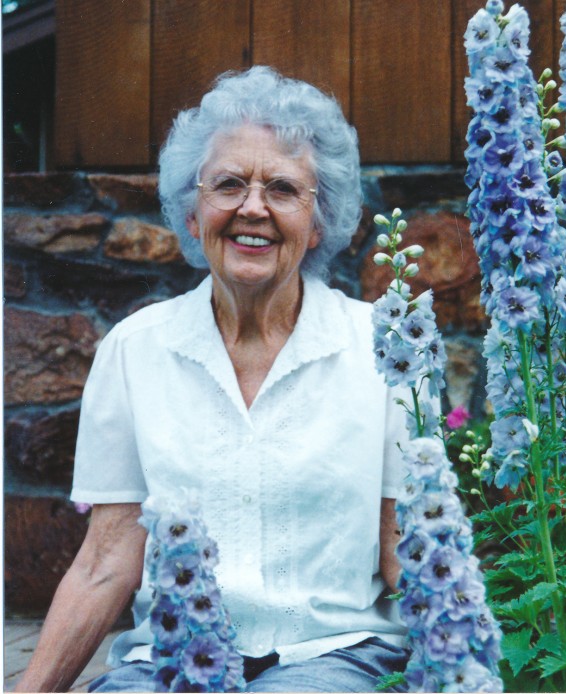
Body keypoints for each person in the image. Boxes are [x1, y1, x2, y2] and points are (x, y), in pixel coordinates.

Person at [15, 66, 411, 693]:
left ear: (317, 224)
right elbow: (105, 562)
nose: (251, 207)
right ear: (194, 215)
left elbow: (402, 550)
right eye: (228, 184)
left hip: (333, 657)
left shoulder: (384, 350)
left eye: (282, 188)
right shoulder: (134, 350)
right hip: (169, 659)